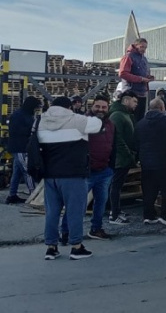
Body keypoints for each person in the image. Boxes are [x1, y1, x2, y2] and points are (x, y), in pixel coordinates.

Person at [39, 96, 102, 260]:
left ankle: (51, 248)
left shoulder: (41, 121)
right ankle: (76, 247)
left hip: (50, 175)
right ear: (69, 107)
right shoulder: (77, 120)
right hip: (73, 175)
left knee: (52, 212)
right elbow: (98, 125)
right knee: (75, 211)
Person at [60, 94, 117, 242]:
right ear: (92, 106)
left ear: (108, 108)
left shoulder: (110, 125)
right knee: (76, 203)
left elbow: (114, 145)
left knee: (101, 203)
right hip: (85, 172)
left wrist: (111, 167)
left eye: (104, 107)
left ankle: (96, 229)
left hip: (104, 171)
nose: (101, 109)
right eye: (97, 106)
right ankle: (66, 232)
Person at [135, 98, 166, 226]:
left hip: (146, 163)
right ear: (162, 108)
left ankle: (148, 215)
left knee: (148, 190)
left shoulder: (140, 124)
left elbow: (135, 143)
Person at [108, 91, 138, 225]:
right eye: (134, 101)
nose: (136, 104)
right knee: (115, 186)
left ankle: (117, 210)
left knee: (118, 186)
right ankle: (114, 214)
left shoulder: (126, 115)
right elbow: (117, 139)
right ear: (126, 101)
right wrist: (128, 154)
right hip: (120, 159)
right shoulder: (117, 116)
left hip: (125, 158)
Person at [5, 96, 40, 204]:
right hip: (20, 147)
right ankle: (33, 195)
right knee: (27, 170)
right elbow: (18, 131)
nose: (36, 109)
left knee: (17, 172)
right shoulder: (18, 116)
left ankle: (12, 195)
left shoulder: (24, 114)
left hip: (21, 147)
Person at [118, 38, 154, 122]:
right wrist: (141, 79)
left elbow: (142, 74)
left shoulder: (144, 59)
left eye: (145, 48)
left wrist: (148, 77)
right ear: (135, 45)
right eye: (142, 47)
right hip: (131, 93)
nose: (144, 50)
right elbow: (123, 73)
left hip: (142, 94)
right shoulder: (128, 57)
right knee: (131, 119)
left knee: (139, 120)